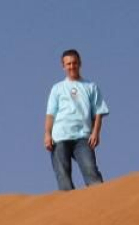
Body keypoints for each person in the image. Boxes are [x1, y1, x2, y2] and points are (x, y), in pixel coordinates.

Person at [44, 49, 109, 191]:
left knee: (91, 172)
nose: (72, 66)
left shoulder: (91, 86)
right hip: (59, 137)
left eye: (74, 63)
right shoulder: (57, 88)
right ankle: (68, 208)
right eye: (68, 64)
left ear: (79, 64)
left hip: (83, 137)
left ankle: (103, 203)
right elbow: (50, 114)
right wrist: (47, 134)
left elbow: (99, 112)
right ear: (63, 66)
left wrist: (96, 132)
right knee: (63, 177)